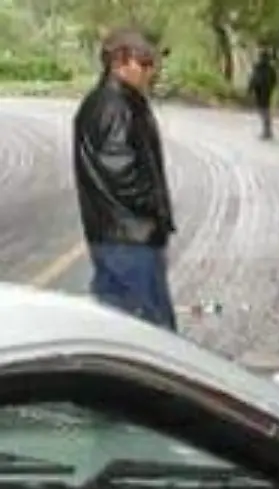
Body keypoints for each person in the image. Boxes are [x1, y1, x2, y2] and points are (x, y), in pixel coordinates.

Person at [73, 28, 177, 331]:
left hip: (123, 236)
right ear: (119, 61)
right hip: (127, 239)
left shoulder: (122, 101)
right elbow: (122, 174)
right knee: (148, 333)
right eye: (144, 63)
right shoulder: (113, 105)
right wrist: (155, 209)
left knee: (123, 325)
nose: (151, 70)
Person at [247, 50, 276, 140]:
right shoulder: (269, 68)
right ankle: (267, 129)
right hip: (265, 90)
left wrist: (250, 89)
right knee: (265, 109)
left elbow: (253, 78)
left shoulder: (258, 67)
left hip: (261, 90)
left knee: (263, 109)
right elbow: (274, 80)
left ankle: (267, 130)